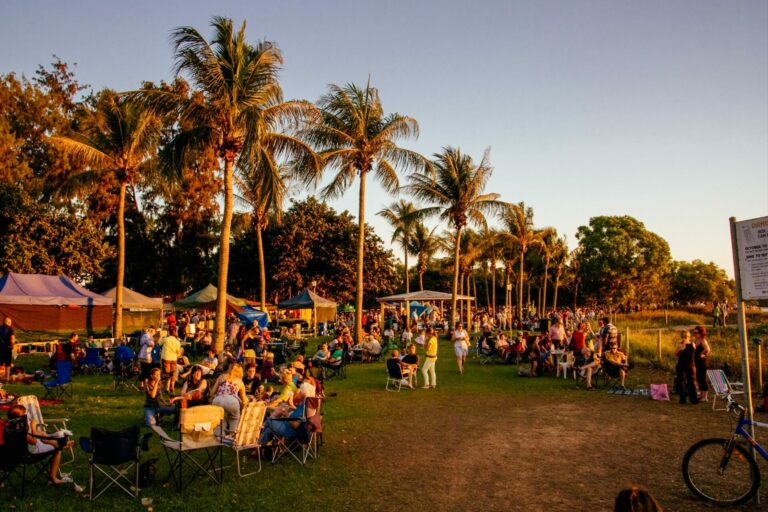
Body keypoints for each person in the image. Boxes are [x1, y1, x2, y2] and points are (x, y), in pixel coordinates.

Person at [7, 404, 75, 485]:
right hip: (32, 452)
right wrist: (33, 426)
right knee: (58, 449)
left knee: (45, 435)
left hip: (26, 449)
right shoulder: (20, 430)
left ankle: (60, 443)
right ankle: (53, 479)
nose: (27, 415)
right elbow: (34, 441)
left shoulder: (14, 427)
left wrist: (37, 431)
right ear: (20, 417)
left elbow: (34, 435)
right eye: (25, 414)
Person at [211, 364, 248, 433]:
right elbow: (244, 400)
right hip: (231, 401)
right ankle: (232, 434)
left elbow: (212, 392)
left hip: (217, 400)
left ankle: (219, 436)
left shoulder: (221, 376)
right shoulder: (239, 381)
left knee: (221, 419)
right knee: (234, 418)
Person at [675, 330, 698, 405]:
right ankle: (693, 399)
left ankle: (683, 399)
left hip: (682, 365)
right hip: (691, 365)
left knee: (681, 382)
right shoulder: (693, 344)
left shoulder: (681, 345)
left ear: (682, 336)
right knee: (692, 382)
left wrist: (681, 352)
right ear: (689, 336)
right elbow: (694, 353)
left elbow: (676, 353)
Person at [160, 327, 183, 393]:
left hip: (166, 357)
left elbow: (159, 343)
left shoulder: (166, 339)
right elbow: (178, 351)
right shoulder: (177, 341)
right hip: (173, 358)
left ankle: (167, 387)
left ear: (169, 332)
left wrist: (161, 337)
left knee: (166, 373)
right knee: (173, 372)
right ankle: (172, 386)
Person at [692, 326, 711, 401]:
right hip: (696, 361)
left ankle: (705, 396)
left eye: (696, 332)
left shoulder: (703, 341)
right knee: (698, 378)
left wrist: (702, 354)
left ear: (701, 333)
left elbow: (708, 349)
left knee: (702, 378)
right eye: (694, 332)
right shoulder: (696, 340)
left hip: (701, 362)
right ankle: (701, 394)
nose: (695, 334)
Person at [0, 316, 16, 383]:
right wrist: (12, 346)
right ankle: (7, 378)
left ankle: (3, 377)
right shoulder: (10, 329)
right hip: (7, 348)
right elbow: (12, 340)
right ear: (9, 323)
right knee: (7, 364)